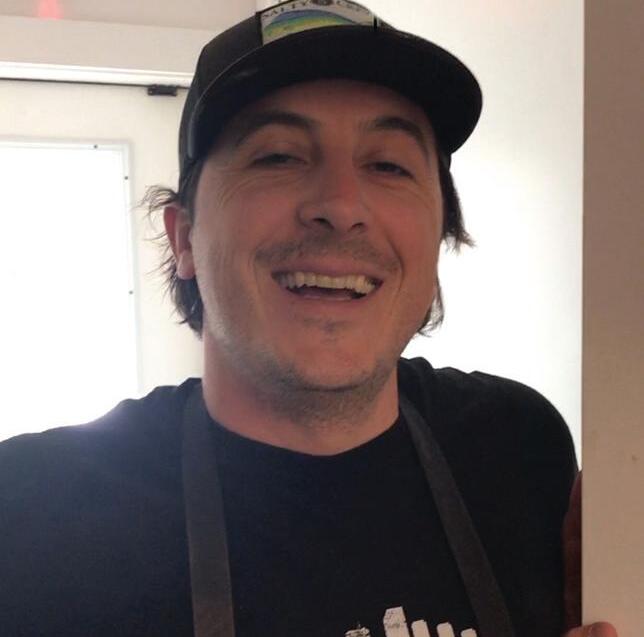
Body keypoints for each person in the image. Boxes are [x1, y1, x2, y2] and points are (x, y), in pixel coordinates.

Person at [0, 2, 618, 637]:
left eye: (388, 165)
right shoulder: (31, 518)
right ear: (184, 238)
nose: (341, 205)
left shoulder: (519, 448)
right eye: (278, 156)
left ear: (436, 241)